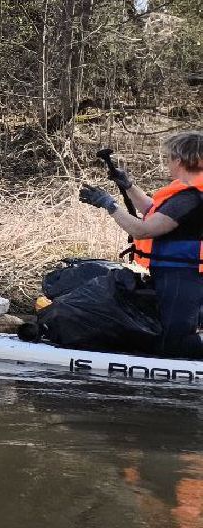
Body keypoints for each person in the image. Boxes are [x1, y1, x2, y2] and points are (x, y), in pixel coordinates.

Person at [80, 131, 203, 358]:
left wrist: (109, 205)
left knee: (175, 341)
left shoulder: (190, 198)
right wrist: (129, 187)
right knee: (170, 331)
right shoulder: (188, 192)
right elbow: (152, 210)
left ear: (181, 160)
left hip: (183, 274)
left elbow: (143, 230)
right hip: (177, 272)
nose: (168, 162)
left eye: (170, 157)